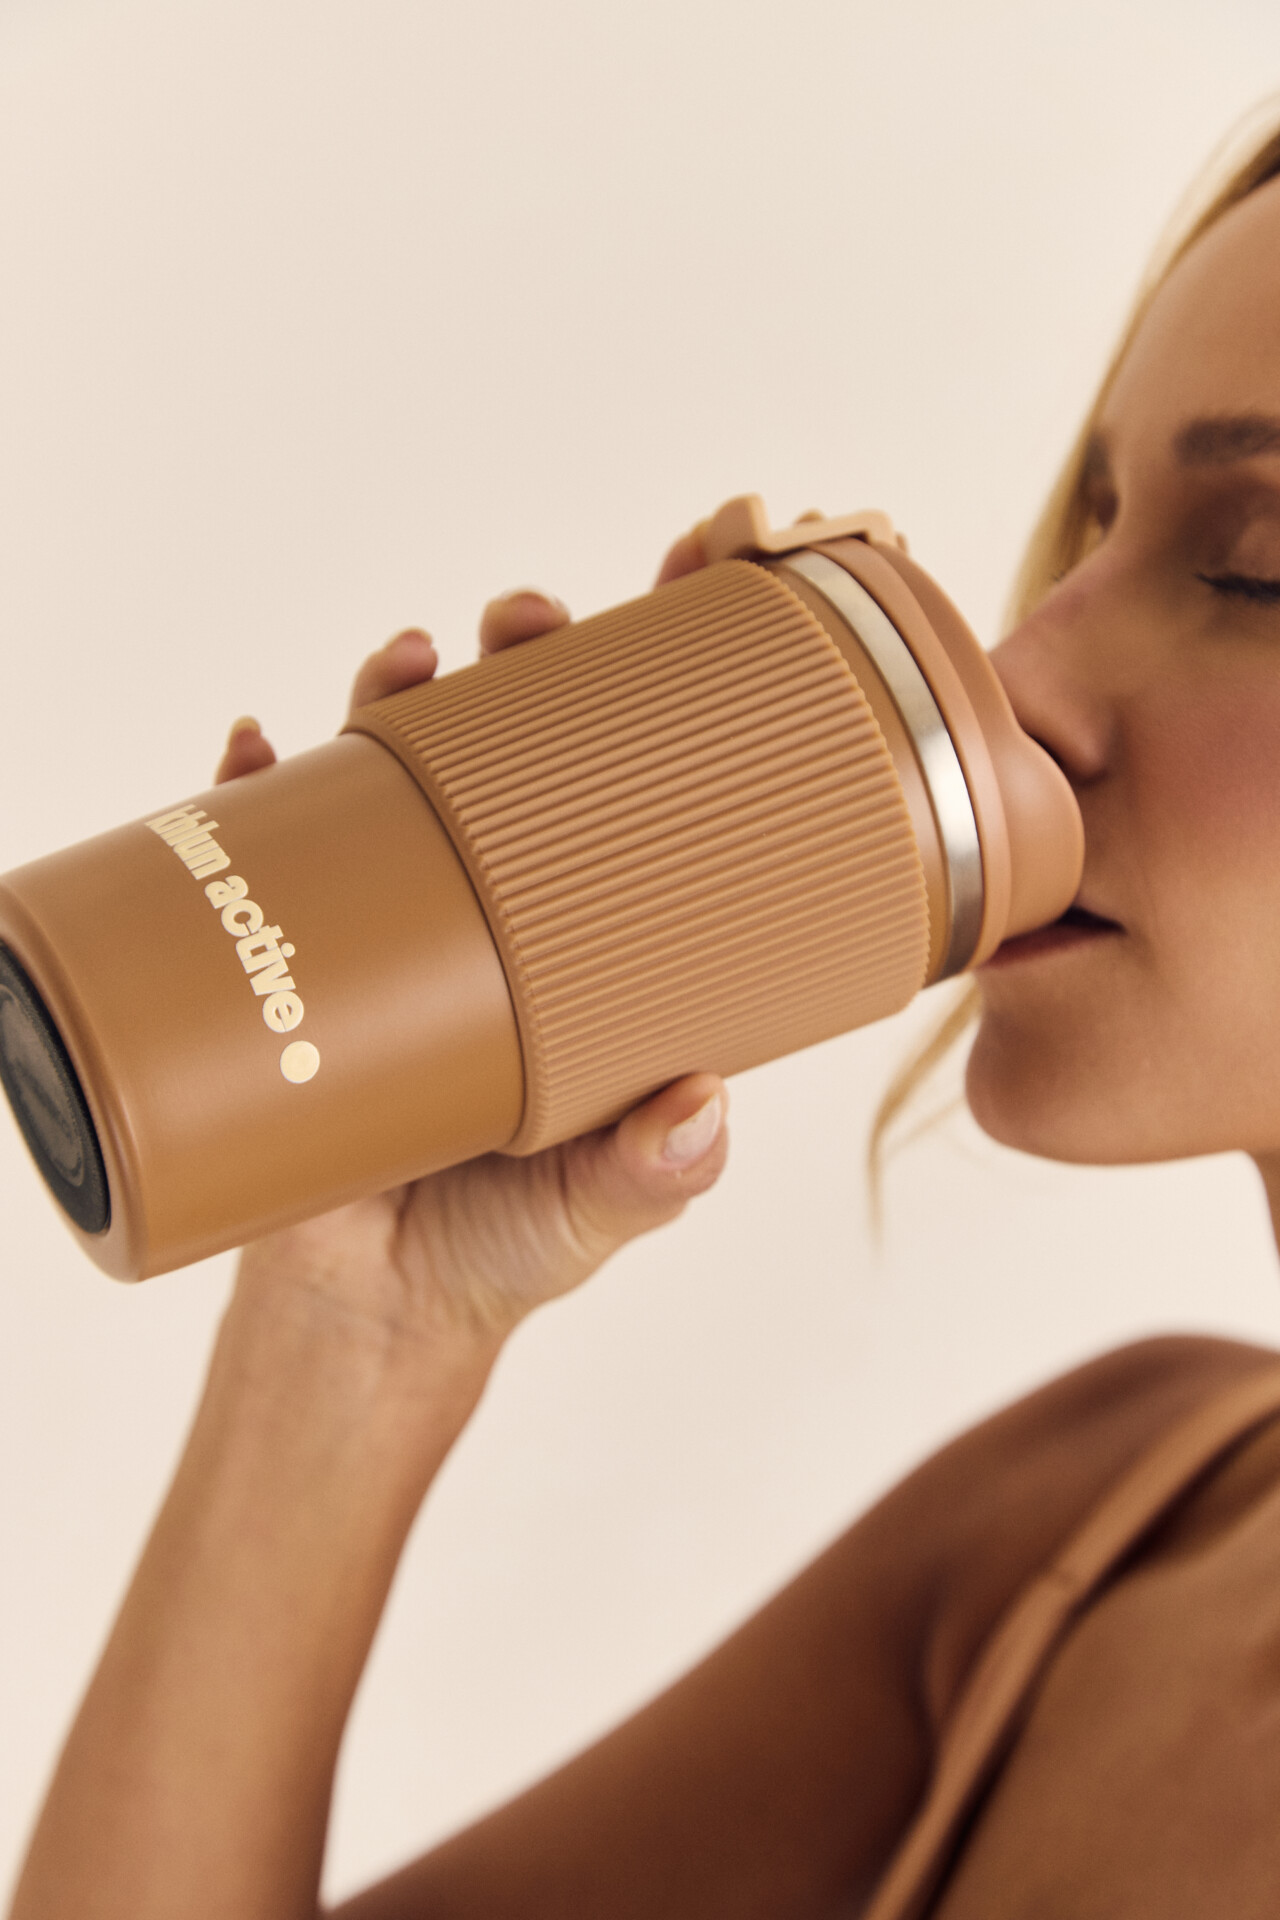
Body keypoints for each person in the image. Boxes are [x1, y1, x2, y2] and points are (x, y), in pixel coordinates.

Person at [10, 109, 1280, 1920]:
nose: (1020, 679)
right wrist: (358, 1331)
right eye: (1094, 527)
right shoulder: (1092, 1532)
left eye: (1256, 568)